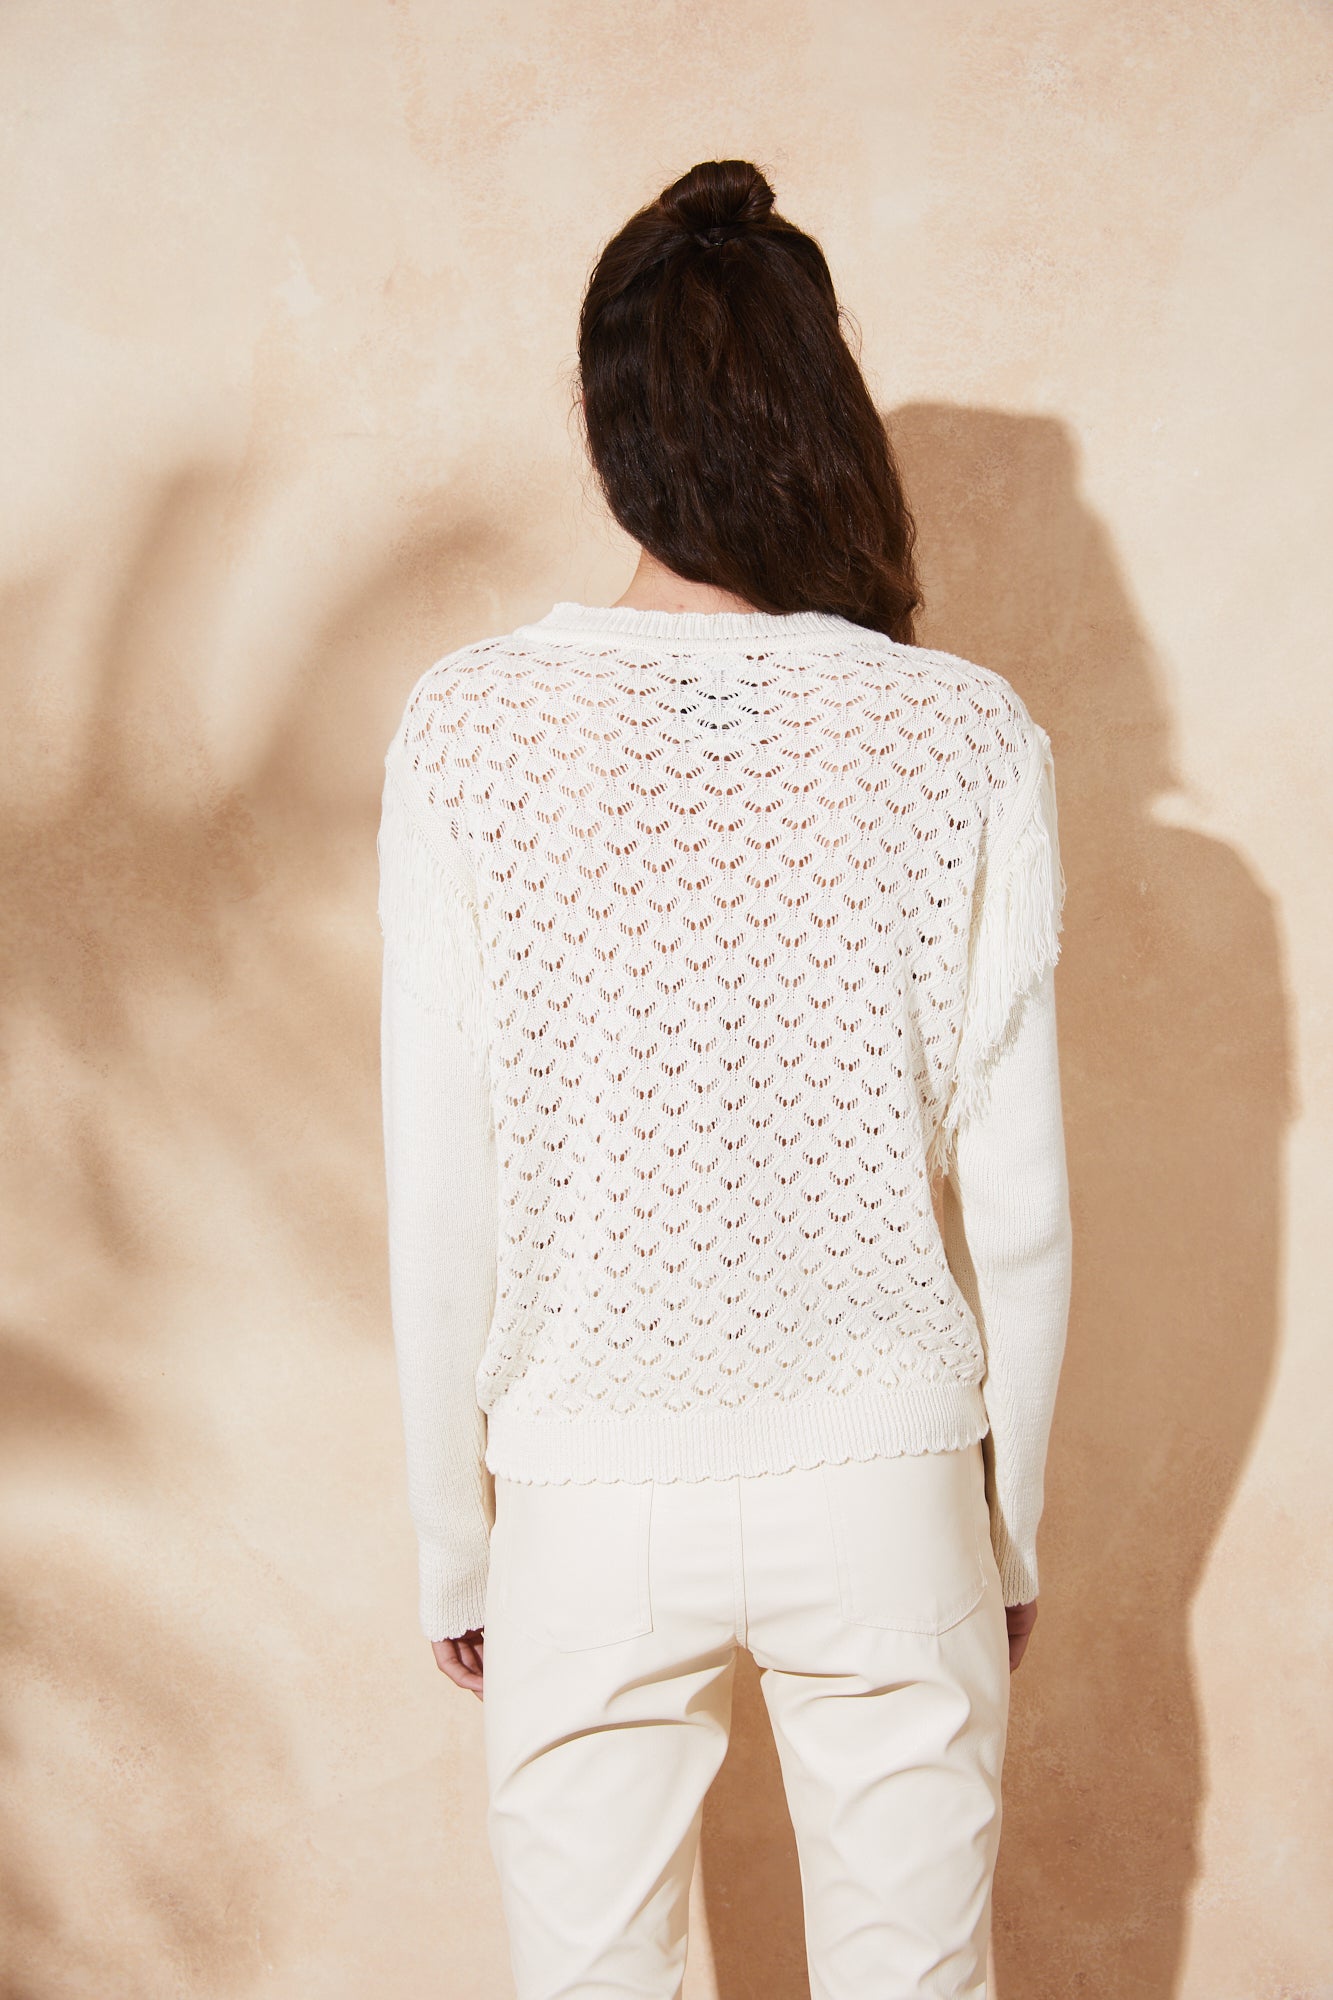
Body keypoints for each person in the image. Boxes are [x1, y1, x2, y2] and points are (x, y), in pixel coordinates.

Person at [377, 157, 1072, 2000]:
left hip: (583, 1497)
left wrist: (456, 1546)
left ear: (610, 426)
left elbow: (441, 1186)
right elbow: (1019, 1207)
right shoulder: (963, 735)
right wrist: (1004, 1529)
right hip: (888, 1480)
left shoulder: (468, 731)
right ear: (818, 414)